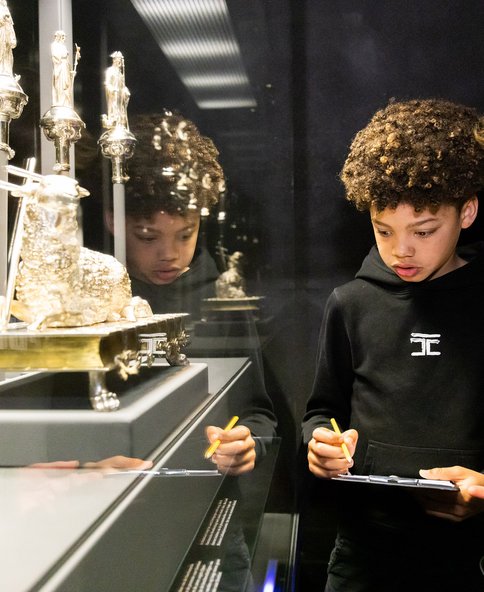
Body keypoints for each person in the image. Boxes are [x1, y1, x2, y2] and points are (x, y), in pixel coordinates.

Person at [302, 98, 484, 591]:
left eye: (424, 231)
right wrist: (321, 445)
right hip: (365, 549)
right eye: (384, 230)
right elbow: (323, 412)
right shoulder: (350, 303)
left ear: (466, 211)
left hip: (470, 556)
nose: (401, 249)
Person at [105, 110, 277, 476]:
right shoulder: (91, 303)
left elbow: (258, 413)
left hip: (206, 489)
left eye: (186, 233)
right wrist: (87, 463)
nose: (169, 253)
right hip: (107, 494)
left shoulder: (221, 297)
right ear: (112, 220)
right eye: (147, 236)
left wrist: (248, 445)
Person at [0, 0, 16, 77]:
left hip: (6, 34)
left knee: (7, 52)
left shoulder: (5, 9)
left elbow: (10, 25)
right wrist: (3, 18)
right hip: (1, 33)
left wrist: (13, 38)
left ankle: (6, 70)